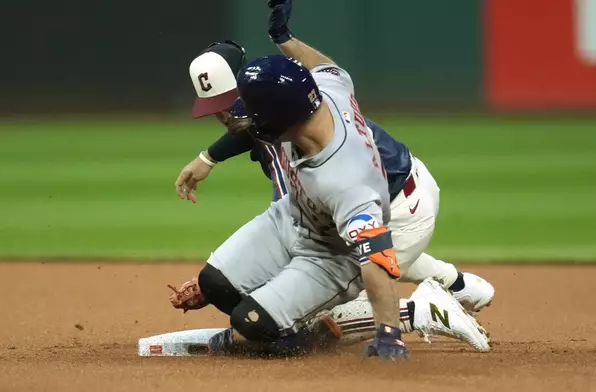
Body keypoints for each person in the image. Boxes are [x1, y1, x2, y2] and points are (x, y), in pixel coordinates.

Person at [169, 1, 491, 360]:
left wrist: (389, 335)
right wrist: (284, 37)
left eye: (252, 114)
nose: (246, 123)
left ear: (279, 117)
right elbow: (325, 66)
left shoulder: (342, 178)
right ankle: (455, 284)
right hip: (340, 203)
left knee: (302, 313)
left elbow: (375, 257)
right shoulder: (318, 92)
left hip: (397, 213)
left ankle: (417, 311)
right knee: (219, 284)